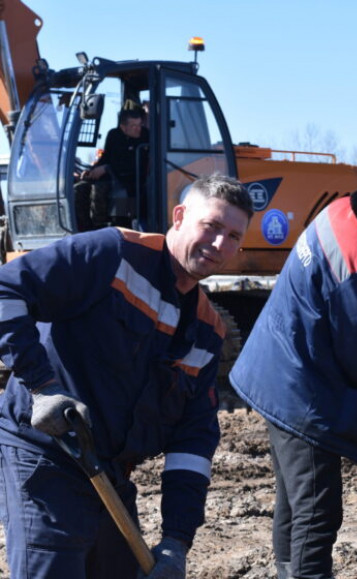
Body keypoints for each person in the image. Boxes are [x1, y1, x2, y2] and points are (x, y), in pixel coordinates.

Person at [0, 174, 253, 579]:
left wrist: (176, 541)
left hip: (108, 472)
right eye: (212, 226)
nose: (220, 244)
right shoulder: (114, 253)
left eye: (233, 236)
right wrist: (41, 387)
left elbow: (194, 440)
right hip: (43, 451)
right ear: (180, 216)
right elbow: (6, 290)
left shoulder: (208, 332)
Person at [230, 162, 357, 579]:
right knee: (317, 512)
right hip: (299, 388)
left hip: (282, 370)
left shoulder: (347, 211)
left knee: (295, 501)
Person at [75, 108, 149, 231]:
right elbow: (106, 156)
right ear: (123, 127)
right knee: (80, 188)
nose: (138, 129)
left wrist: (107, 168)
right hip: (112, 176)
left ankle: (101, 226)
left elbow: (136, 164)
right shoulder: (114, 135)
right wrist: (93, 170)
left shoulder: (146, 136)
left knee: (99, 189)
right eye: (133, 126)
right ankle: (85, 228)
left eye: (139, 125)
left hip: (132, 182)